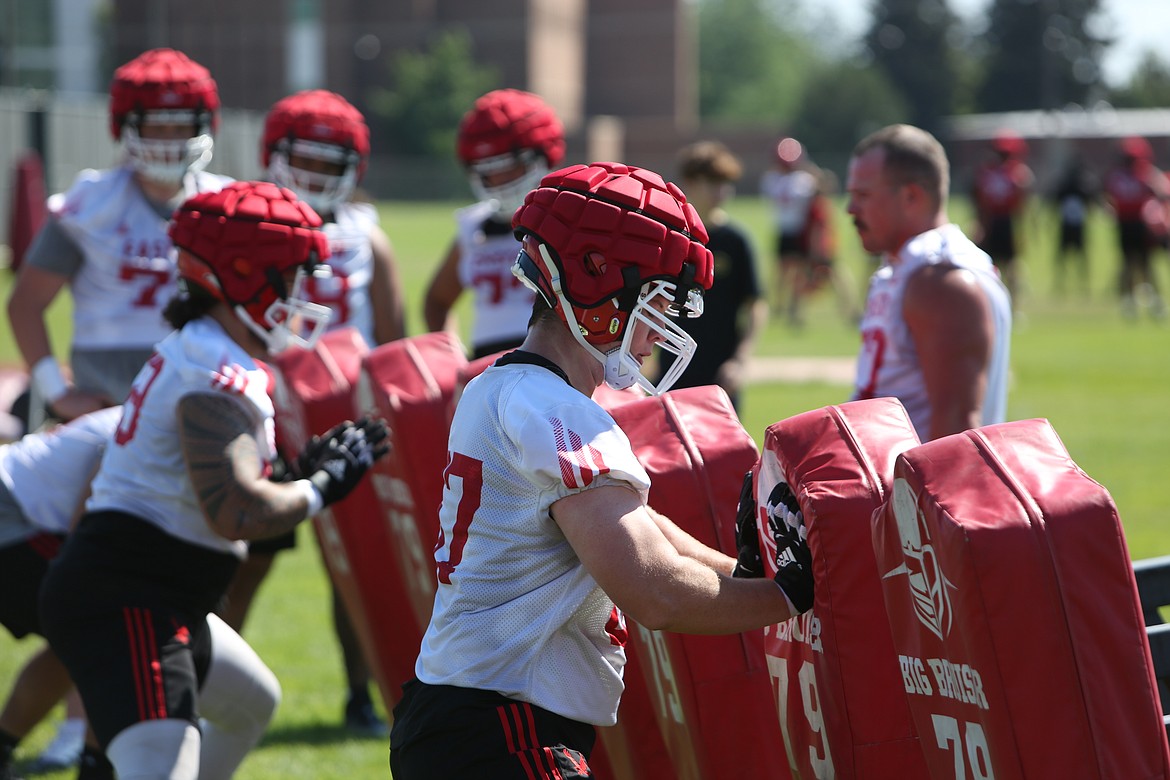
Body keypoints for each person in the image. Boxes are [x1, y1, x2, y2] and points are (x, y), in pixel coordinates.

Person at [388, 162, 815, 777]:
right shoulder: (555, 411)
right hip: (501, 729)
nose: (659, 331)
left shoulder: (507, 387)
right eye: (656, 303)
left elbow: (641, 526)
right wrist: (789, 596)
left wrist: (743, 571)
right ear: (597, 282)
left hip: (467, 717)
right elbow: (654, 590)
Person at [37, 181, 389, 780]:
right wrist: (322, 486)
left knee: (251, 703)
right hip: (131, 597)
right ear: (246, 277)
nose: (303, 295)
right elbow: (237, 511)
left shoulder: (206, 350)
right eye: (292, 277)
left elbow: (227, 488)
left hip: (158, 591)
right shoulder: (213, 369)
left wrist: (296, 475)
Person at [215, 88, 408, 736]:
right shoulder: (248, 224)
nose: (319, 178)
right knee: (244, 562)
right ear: (276, 156)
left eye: (332, 165)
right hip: (263, 420)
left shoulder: (366, 240)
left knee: (355, 573)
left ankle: (361, 697)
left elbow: (394, 345)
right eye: (308, 162)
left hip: (340, 425)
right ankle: (203, 684)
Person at [6, 48, 230, 428]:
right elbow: (25, 304)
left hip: (200, 399)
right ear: (125, 126)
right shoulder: (91, 206)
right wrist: (58, 393)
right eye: (156, 127)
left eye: (180, 127)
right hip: (109, 407)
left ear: (204, 126)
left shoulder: (226, 207)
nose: (168, 141)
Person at [846, 124, 1012, 442]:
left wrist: (919, 492)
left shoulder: (940, 281)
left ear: (911, 196)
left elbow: (955, 428)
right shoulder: (911, 267)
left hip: (915, 487)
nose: (850, 209)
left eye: (863, 195)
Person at [0, 408, 122, 780]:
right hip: (11, 513)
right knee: (110, 634)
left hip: (18, 509)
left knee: (87, 636)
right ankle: (96, 769)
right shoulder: (162, 416)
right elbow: (89, 512)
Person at [423, 88, 565, 358]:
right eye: (489, 172)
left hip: (556, 366)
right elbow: (437, 301)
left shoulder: (571, 221)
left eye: (510, 167)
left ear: (542, 157)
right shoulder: (474, 228)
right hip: (488, 369)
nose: (501, 181)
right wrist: (452, 358)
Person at [655, 140, 764, 409]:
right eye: (712, 182)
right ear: (689, 182)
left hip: (720, 375)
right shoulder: (670, 240)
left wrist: (740, 361)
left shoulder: (736, 241)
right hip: (671, 370)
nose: (721, 191)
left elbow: (755, 305)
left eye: (725, 182)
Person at [1102, 135, 1168, 319]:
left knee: (1146, 265)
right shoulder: (1116, 175)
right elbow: (1107, 197)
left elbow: (1162, 192)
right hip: (1125, 224)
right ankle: (1128, 302)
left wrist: (1155, 211)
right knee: (1127, 264)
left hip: (1143, 225)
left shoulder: (1147, 173)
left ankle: (1156, 303)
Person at [759, 136, 820, 326]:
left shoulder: (800, 179)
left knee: (798, 273)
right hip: (786, 229)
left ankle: (793, 307)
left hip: (799, 231)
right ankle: (778, 306)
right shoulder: (780, 179)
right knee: (782, 272)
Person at [970, 131, 1034, 307]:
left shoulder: (1003, 173)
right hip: (998, 223)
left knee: (1009, 267)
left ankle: (1011, 304)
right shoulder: (1015, 174)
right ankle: (1002, 304)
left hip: (1003, 222)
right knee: (998, 267)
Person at [1050, 155, 1097, 296]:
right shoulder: (1070, 186)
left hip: (1077, 225)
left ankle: (1082, 283)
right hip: (1068, 225)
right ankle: (1062, 283)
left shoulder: (1080, 186)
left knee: (1080, 256)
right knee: (1064, 256)